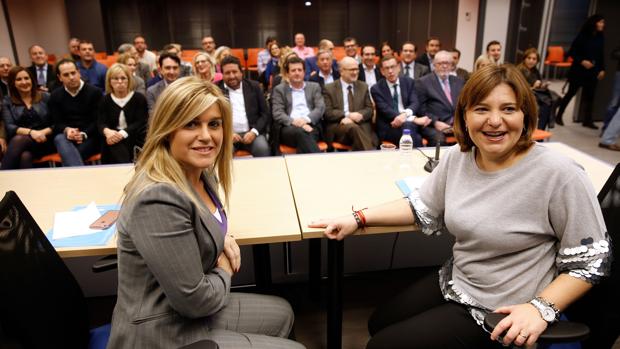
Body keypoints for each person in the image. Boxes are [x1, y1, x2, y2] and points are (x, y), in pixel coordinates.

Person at [310, 64, 610, 349]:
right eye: (482, 109)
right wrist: (358, 217)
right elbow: (422, 205)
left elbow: (591, 262)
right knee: (378, 322)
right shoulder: (460, 156)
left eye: (508, 109)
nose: (494, 121)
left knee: (381, 346)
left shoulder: (560, 174)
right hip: (460, 278)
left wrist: (539, 309)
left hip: (502, 307)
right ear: (465, 116)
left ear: (526, 115)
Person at [107, 76, 304, 349]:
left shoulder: (199, 171)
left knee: (283, 312)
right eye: (191, 124)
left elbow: (200, 219)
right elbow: (196, 301)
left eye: (213, 124)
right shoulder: (157, 198)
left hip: (184, 309)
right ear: (167, 129)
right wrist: (223, 267)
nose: (206, 136)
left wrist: (221, 236)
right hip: (162, 329)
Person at [555, 14, 606, 129]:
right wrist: (582, 61)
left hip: (593, 72)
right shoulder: (583, 36)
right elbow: (572, 52)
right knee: (570, 93)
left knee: (590, 97)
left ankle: (587, 120)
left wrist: (602, 69)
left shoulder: (601, 37)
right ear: (594, 23)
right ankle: (559, 115)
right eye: (601, 22)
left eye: (603, 22)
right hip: (579, 71)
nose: (603, 25)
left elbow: (601, 54)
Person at [50, 59, 102, 166]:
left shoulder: (95, 92)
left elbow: (98, 121)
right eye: (66, 75)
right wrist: (67, 130)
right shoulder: (55, 95)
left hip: (90, 136)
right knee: (60, 138)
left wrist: (83, 134)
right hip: (67, 137)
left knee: (71, 155)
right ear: (60, 78)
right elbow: (56, 123)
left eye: (73, 73)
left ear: (79, 72)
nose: (71, 77)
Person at [370, 55, 431, 147]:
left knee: (409, 129)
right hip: (389, 126)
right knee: (415, 136)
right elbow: (386, 111)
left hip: (409, 125)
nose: (390, 71)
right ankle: (416, 160)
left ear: (398, 67)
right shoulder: (376, 89)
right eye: (386, 68)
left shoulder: (409, 82)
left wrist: (404, 116)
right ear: (382, 71)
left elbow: (414, 103)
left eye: (392, 67)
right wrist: (413, 119)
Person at [1, 67, 54, 169]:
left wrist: (42, 132)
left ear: (32, 80)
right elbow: (10, 126)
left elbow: (57, 122)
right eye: (19, 79)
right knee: (25, 157)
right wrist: (32, 132)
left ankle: (2, 178)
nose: (24, 82)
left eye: (26, 78)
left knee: (19, 141)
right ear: (13, 83)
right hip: (24, 141)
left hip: (45, 140)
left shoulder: (46, 97)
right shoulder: (7, 101)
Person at [217, 55, 271, 157]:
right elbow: (213, 118)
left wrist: (254, 132)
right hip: (227, 136)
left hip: (252, 133)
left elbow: (265, 113)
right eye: (227, 73)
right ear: (222, 75)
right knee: (223, 153)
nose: (232, 76)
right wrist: (228, 134)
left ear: (241, 72)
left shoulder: (254, 86)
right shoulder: (216, 90)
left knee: (262, 148)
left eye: (234, 72)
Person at [271, 56, 325, 154]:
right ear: (287, 73)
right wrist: (296, 122)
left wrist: (305, 120)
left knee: (304, 136)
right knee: (302, 133)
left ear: (304, 72)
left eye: (300, 70)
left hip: (311, 126)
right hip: (289, 127)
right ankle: (320, 162)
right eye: (293, 70)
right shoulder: (279, 89)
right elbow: (277, 113)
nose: (297, 73)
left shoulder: (314, 87)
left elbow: (320, 108)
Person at [98, 63, 148, 164]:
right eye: (115, 78)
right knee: (113, 144)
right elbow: (100, 122)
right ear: (109, 81)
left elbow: (141, 121)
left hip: (135, 137)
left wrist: (122, 134)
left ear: (129, 80)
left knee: (116, 144)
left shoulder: (139, 98)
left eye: (123, 78)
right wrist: (106, 131)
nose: (120, 82)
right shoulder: (105, 100)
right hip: (112, 137)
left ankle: (125, 169)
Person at [323, 57, 375, 151]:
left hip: (361, 125)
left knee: (359, 131)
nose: (355, 72)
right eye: (352, 69)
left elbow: (369, 109)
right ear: (341, 71)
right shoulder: (329, 88)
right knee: (353, 128)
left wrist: (360, 115)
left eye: (357, 69)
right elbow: (327, 113)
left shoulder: (363, 86)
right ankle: (371, 158)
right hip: (339, 128)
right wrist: (348, 115)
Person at [415, 50, 464, 141]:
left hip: (457, 123)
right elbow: (421, 109)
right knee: (439, 140)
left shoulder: (459, 81)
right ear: (434, 65)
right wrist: (435, 122)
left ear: (451, 65)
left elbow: (464, 104)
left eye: (447, 63)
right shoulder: (423, 82)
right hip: (434, 124)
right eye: (440, 63)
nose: (444, 66)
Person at [517, 47, 560, 130]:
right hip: (524, 97)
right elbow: (518, 89)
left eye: (534, 59)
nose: (531, 61)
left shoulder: (535, 71)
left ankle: (542, 129)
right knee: (545, 104)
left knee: (550, 101)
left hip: (534, 95)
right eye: (529, 58)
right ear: (524, 58)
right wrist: (533, 87)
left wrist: (543, 86)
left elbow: (538, 86)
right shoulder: (520, 71)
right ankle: (541, 129)